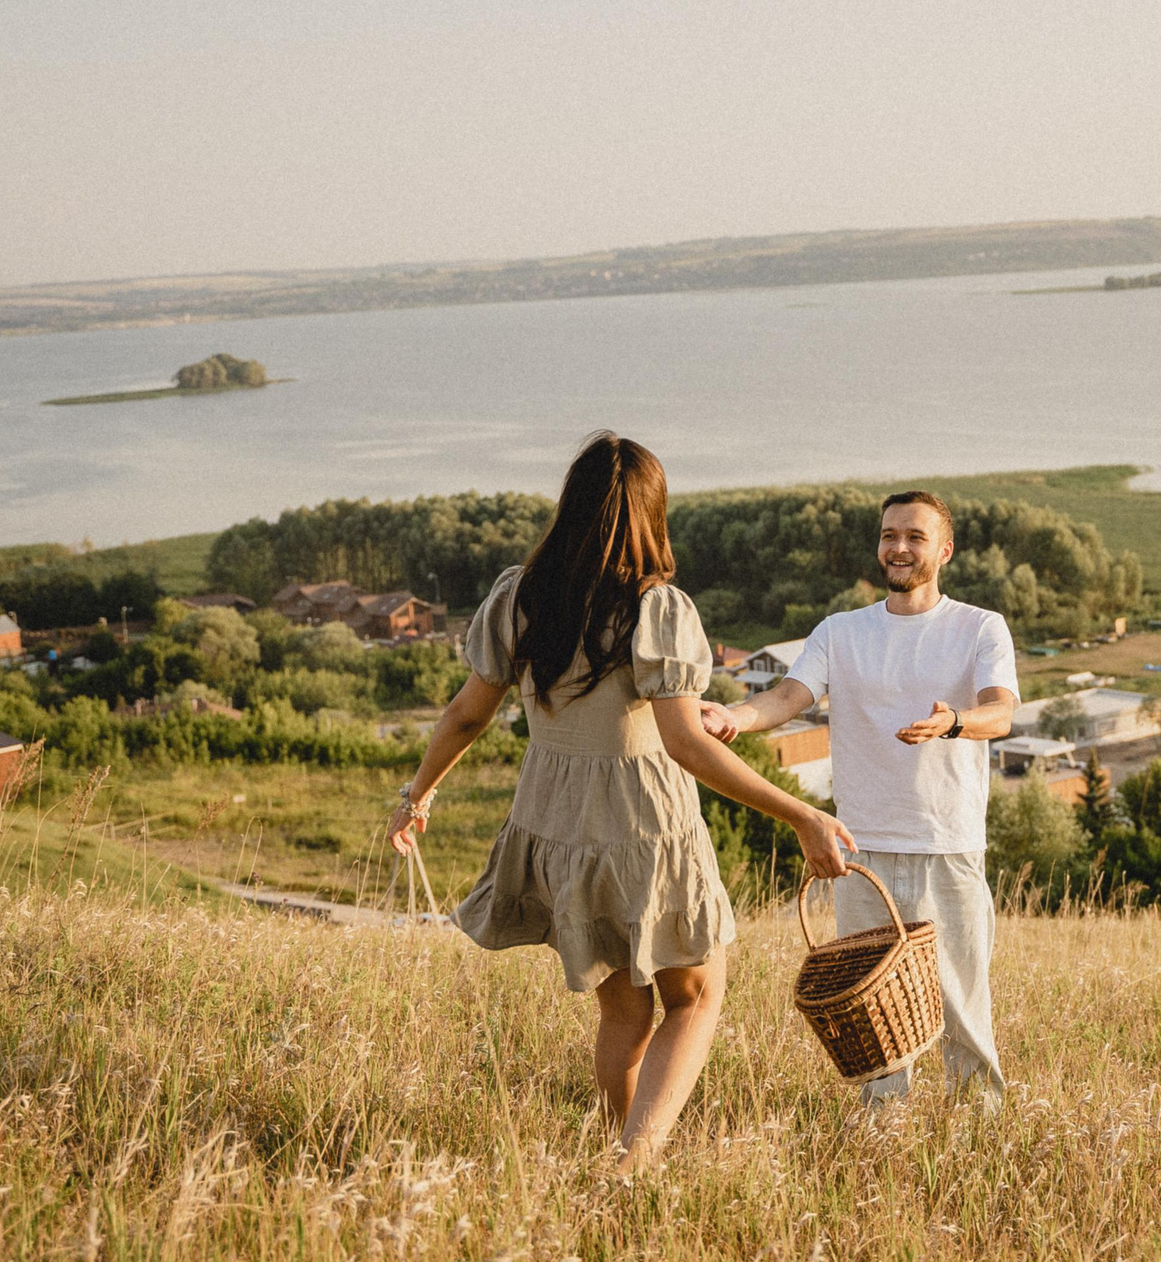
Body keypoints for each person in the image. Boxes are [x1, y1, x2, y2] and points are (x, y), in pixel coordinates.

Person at [389, 433, 856, 1169]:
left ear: (569, 509)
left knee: (626, 1008)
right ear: (651, 515)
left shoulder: (519, 597)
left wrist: (420, 792)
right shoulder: (655, 609)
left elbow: (464, 715)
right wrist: (802, 814)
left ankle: (621, 1150)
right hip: (645, 829)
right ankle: (634, 1168)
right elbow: (686, 744)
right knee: (696, 997)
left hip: (557, 828)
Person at [708, 490, 1018, 1104]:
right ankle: (881, 1146)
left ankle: (983, 1147)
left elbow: (1000, 712)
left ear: (944, 551)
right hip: (858, 856)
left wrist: (953, 720)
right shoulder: (841, 631)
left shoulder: (980, 627)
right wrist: (734, 717)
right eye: (888, 535)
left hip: (945, 848)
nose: (898, 547)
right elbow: (789, 696)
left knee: (962, 1015)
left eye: (915, 537)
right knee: (872, 1024)